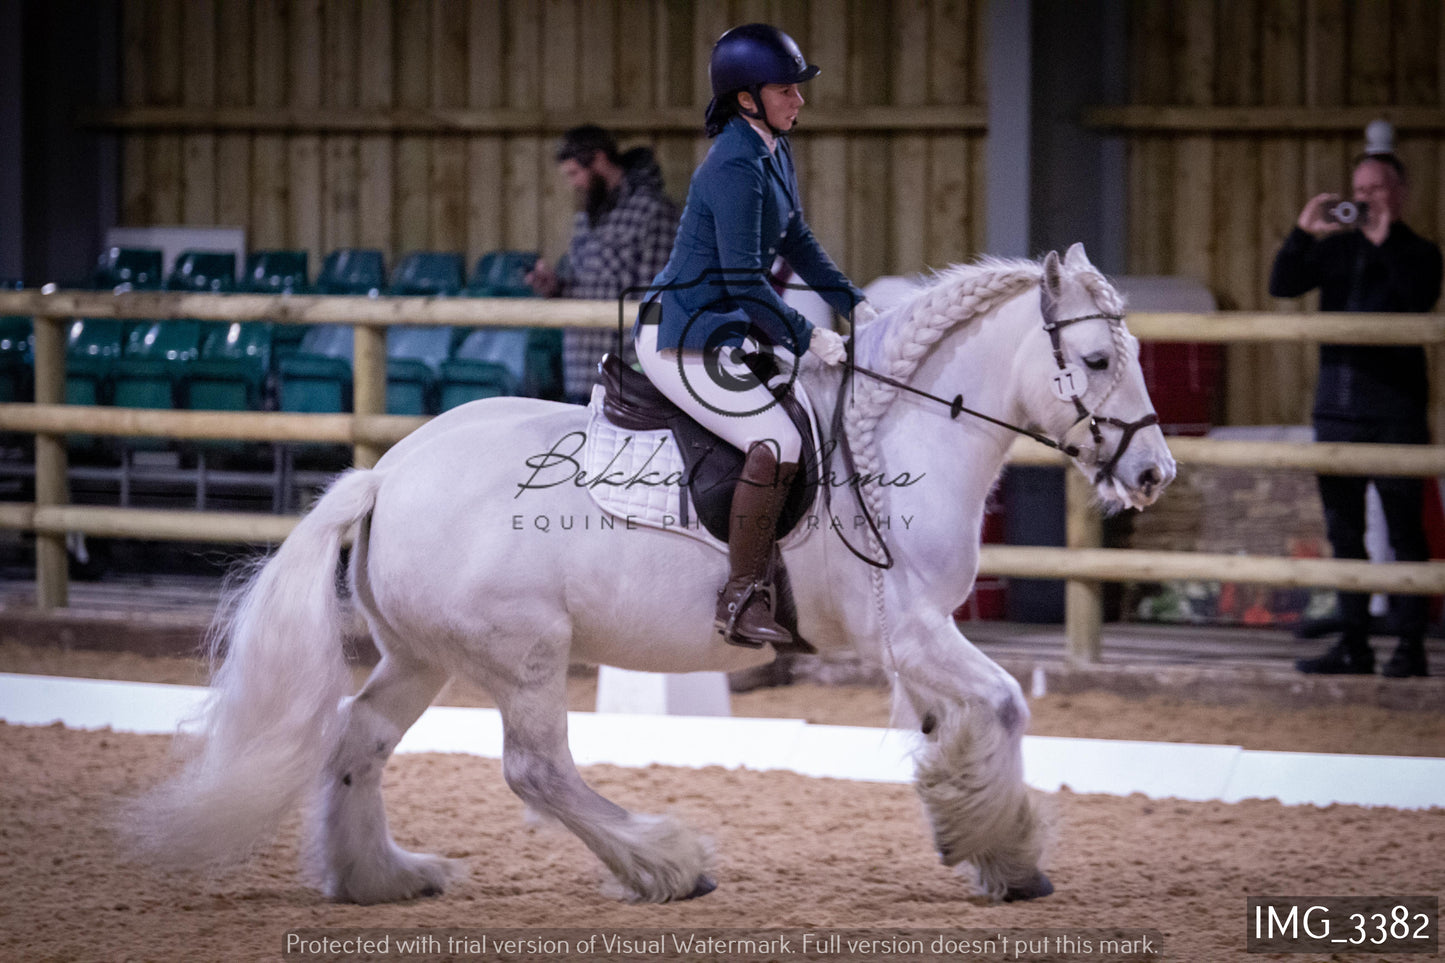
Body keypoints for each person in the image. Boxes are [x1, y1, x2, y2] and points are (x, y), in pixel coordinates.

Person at [638, 23, 876, 650]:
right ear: (747, 98)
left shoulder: (773, 148)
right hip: (683, 333)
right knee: (774, 440)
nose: (799, 99)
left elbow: (796, 238)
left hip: (727, 329)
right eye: (786, 90)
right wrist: (808, 336)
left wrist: (852, 301)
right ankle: (740, 597)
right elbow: (744, 279)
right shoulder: (733, 165)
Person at [1268, 135, 1443, 678]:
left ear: (1400, 193)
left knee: (1403, 530)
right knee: (1344, 533)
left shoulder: (1419, 251)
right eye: (1359, 190)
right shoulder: (1336, 249)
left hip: (1395, 413)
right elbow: (1282, 284)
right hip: (1336, 412)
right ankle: (1354, 644)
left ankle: (1410, 647)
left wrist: (1385, 239)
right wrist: (1304, 231)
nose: (1366, 199)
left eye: (1377, 189)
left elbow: (1419, 298)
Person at [527, 125, 679, 404]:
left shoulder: (652, 212)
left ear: (598, 160)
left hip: (623, 370)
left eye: (575, 173)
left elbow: (654, 296)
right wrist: (556, 286)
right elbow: (585, 281)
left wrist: (639, 370)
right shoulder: (588, 215)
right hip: (580, 366)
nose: (573, 184)